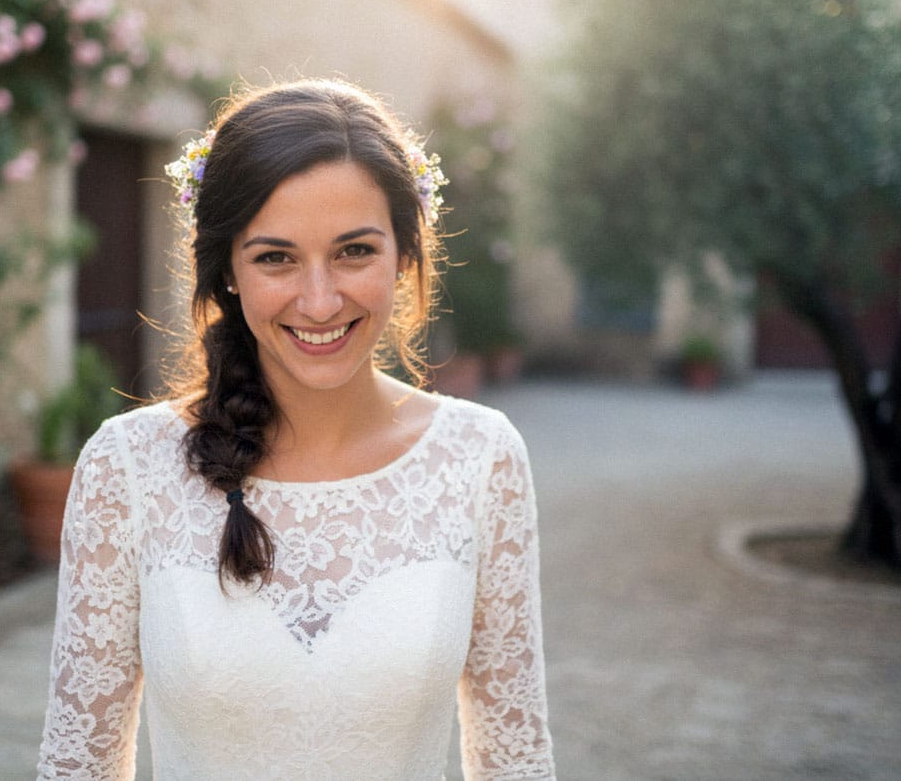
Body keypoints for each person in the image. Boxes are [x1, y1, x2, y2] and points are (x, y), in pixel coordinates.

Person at [37, 79, 555, 780]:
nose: (319, 300)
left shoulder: (481, 458)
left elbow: (515, 763)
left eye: (354, 252)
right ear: (228, 271)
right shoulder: (126, 468)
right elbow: (78, 766)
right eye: (276, 257)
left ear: (405, 254)